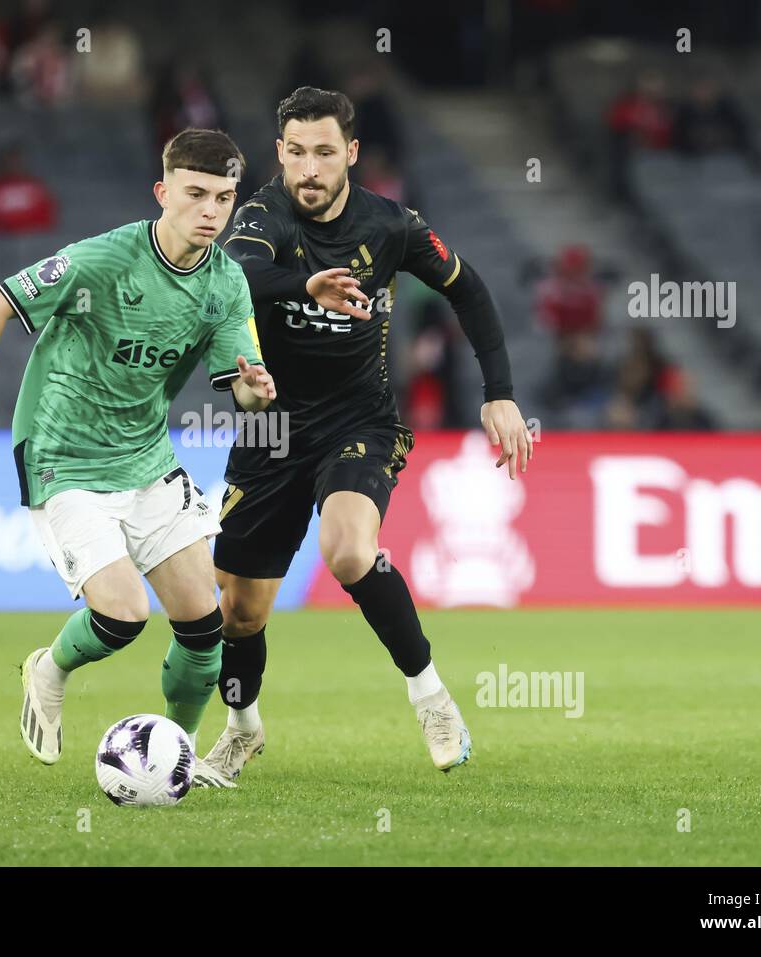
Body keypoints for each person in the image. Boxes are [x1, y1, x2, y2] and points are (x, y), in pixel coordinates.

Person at [201, 88, 532, 782]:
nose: (310, 169)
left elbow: (468, 288)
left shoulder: (390, 225)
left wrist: (498, 393)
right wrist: (305, 284)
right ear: (280, 154)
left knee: (350, 549)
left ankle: (431, 696)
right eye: (296, 153)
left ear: (351, 153)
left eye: (325, 152)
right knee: (237, 610)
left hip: (360, 420)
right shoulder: (262, 214)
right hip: (271, 430)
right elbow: (233, 273)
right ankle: (241, 727)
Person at [0, 130, 276, 787]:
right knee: (123, 613)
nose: (210, 210)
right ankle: (49, 669)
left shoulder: (226, 283)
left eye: (224, 198)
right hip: (63, 452)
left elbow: (242, 378)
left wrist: (253, 391)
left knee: (207, 626)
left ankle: (179, 752)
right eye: (196, 194)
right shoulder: (103, 260)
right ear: (163, 192)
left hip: (146, 456)